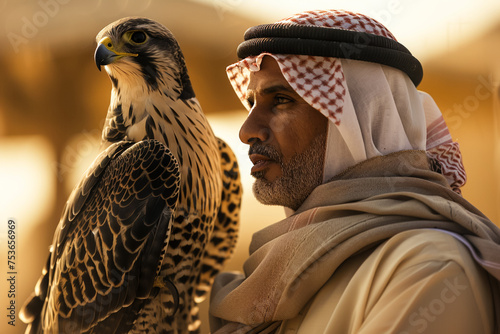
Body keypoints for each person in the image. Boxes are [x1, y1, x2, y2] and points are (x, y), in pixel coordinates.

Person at [209, 9, 500, 334]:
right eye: (251, 104)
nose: (247, 130)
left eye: (280, 100)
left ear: (360, 121)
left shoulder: (429, 267)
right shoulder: (271, 276)